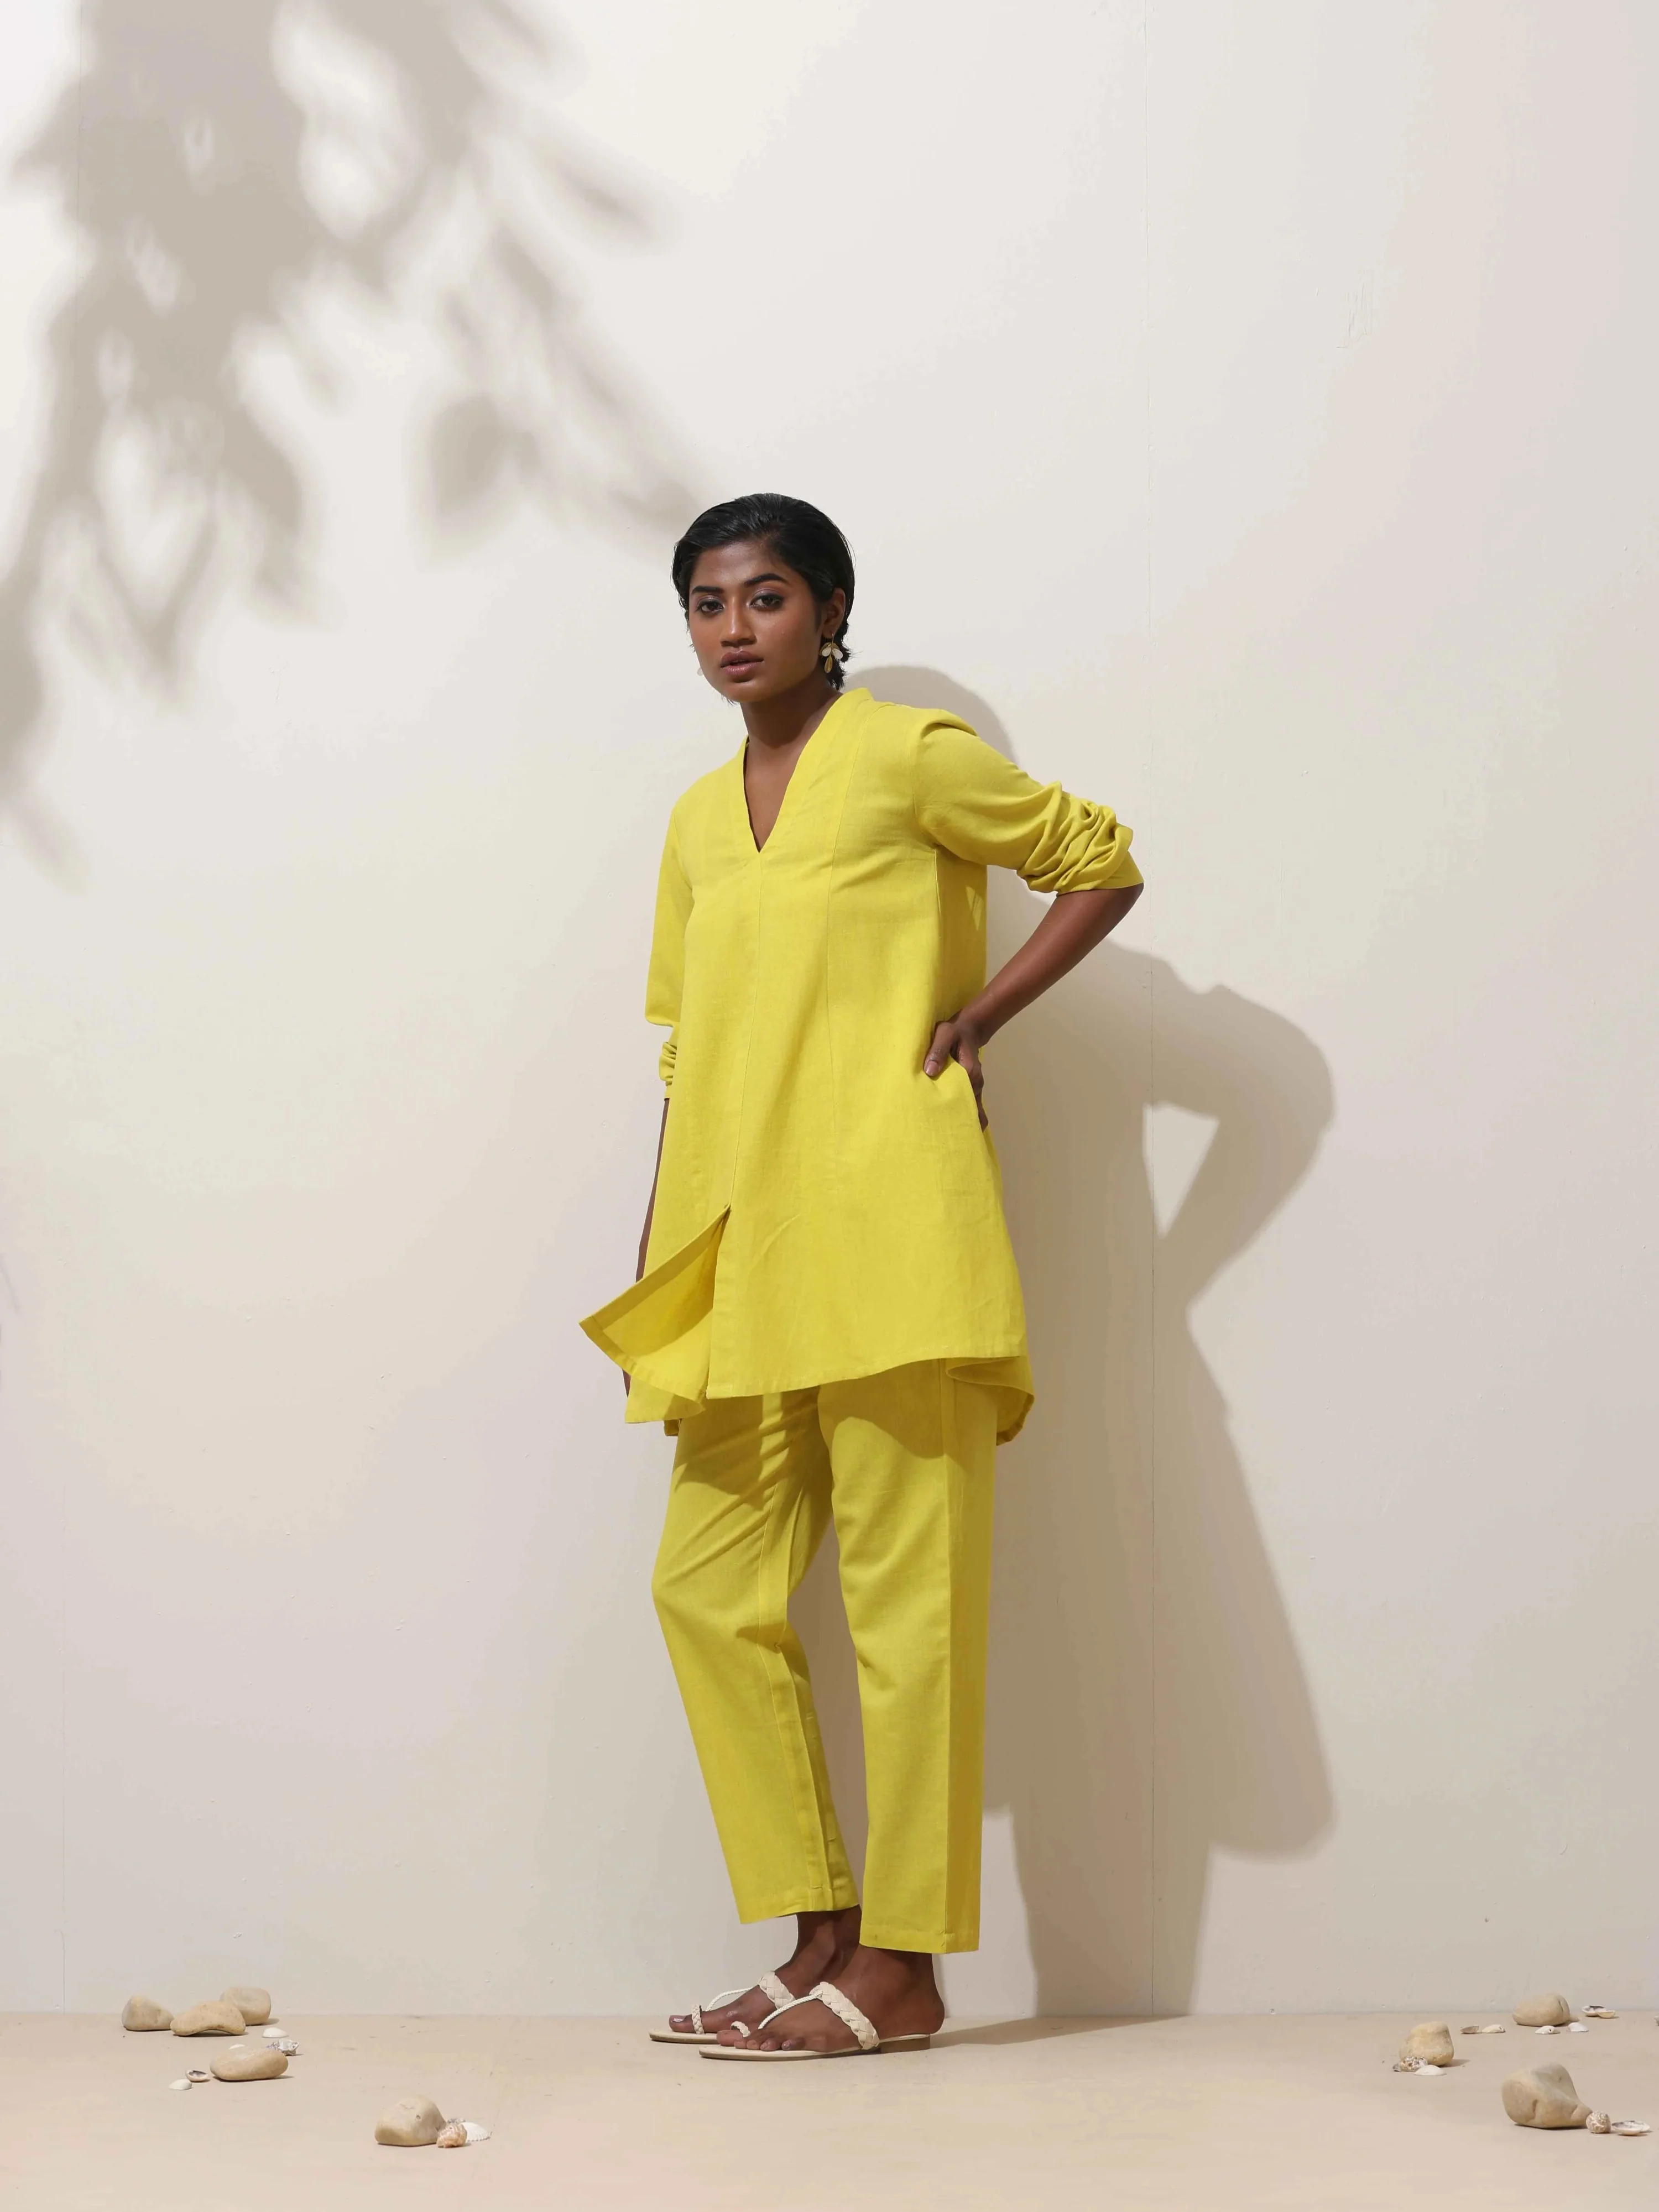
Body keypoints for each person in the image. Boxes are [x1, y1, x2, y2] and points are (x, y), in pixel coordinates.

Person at [581, 494, 1144, 2058]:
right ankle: (818, 1931)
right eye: (707, 604)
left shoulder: (907, 756)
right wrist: (664, 1239)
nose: (733, 629)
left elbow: (1098, 860)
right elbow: (690, 1046)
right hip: (743, 1254)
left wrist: (981, 1017)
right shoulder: (697, 820)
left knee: (912, 1612)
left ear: (831, 609)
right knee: (707, 1589)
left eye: (765, 597)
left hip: (899, 1234)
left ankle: (904, 1964)